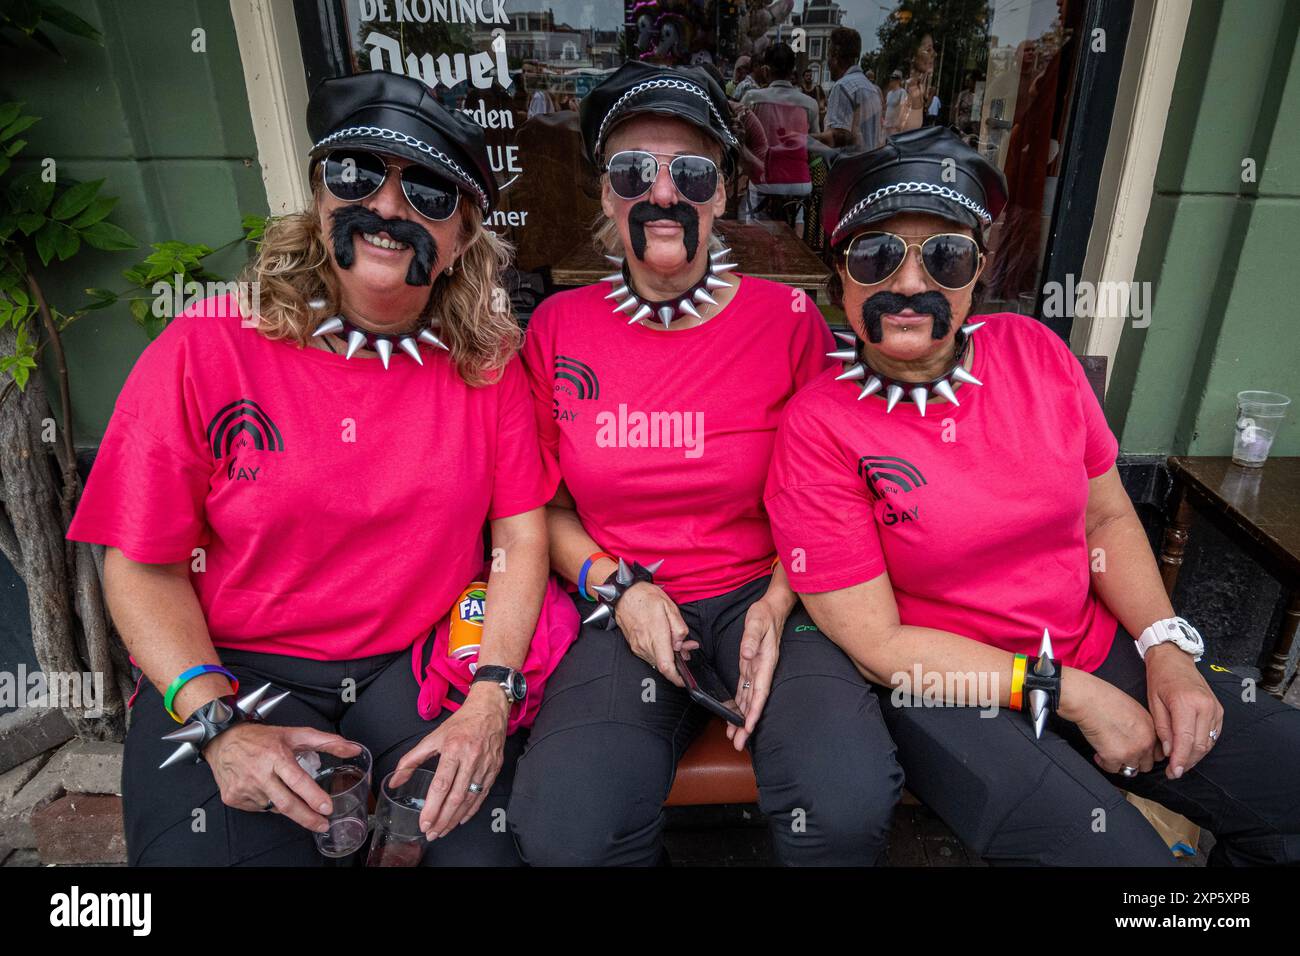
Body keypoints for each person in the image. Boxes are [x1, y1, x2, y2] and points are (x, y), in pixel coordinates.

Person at [764, 126, 1300, 865]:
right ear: (841, 277)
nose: (912, 285)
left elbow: (1107, 514)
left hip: (1090, 641)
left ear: (978, 269)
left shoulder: (1035, 352)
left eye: (945, 254)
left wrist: (1167, 649)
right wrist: (1074, 694)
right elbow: (878, 645)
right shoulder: (818, 426)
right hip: (951, 690)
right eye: (877, 254)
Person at [67, 72, 555, 866]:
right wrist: (218, 723)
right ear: (318, 199)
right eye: (358, 172)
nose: (390, 209)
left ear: (463, 236)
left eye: (430, 192)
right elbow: (140, 564)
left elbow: (520, 534)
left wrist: (492, 696)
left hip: (417, 663)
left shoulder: (486, 361)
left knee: (489, 853)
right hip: (233, 664)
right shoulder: (209, 343)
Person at [508, 61, 902, 866]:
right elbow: (542, 507)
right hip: (626, 601)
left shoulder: (788, 319)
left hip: (773, 592)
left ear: (722, 192)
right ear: (606, 195)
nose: (662, 194)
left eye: (689, 172)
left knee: (846, 798)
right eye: (632, 172)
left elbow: (837, 489)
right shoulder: (557, 325)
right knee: (566, 827)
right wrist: (619, 589)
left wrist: (782, 598)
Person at [741, 41, 820, 222]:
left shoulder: (752, 98)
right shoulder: (810, 104)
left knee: (755, 234)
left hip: (764, 182)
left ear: (766, 70)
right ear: (792, 72)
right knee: (796, 236)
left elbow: (741, 138)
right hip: (799, 182)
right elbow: (815, 144)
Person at [817, 26, 884, 152]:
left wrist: (804, 139)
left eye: (828, 55)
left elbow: (838, 137)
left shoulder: (842, 87)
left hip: (848, 168)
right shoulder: (871, 88)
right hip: (869, 166)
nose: (828, 62)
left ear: (835, 55)